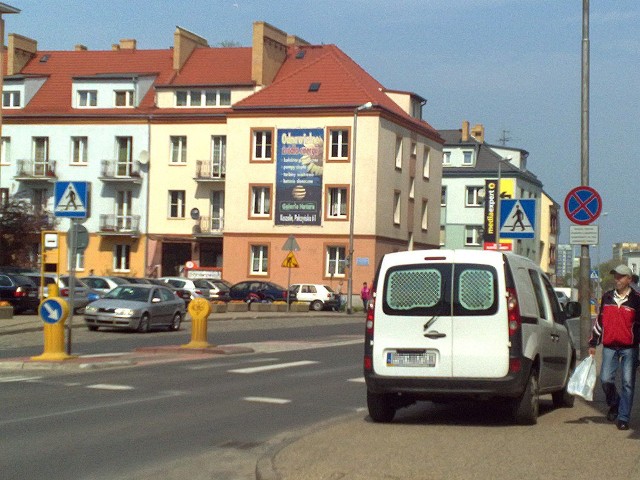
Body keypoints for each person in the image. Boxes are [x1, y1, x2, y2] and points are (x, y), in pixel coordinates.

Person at [588, 264, 640, 431]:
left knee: (627, 383)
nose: (617, 279)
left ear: (629, 279)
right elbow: (600, 321)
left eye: (621, 277)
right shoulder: (607, 297)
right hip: (609, 346)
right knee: (605, 379)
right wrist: (593, 342)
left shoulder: (637, 299)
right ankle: (614, 403)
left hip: (629, 348)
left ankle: (623, 417)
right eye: (615, 276)